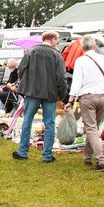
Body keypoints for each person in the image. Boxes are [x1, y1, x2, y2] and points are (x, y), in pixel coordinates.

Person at [13, 31, 67, 163]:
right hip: (50, 93)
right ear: (52, 39)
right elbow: (61, 77)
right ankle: (47, 155)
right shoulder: (56, 55)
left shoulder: (31, 52)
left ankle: (22, 152)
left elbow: (21, 70)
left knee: (27, 121)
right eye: (57, 40)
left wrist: (25, 85)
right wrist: (62, 94)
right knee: (49, 124)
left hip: (32, 92)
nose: (57, 42)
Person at [63, 35, 104, 171]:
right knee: (93, 127)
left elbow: (77, 82)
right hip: (103, 95)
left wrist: (70, 100)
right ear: (95, 45)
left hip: (87, 97)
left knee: (91, 128)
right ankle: (87, 156)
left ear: (82, 47)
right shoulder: (103, 59)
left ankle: (101, 160)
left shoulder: (80, 61)